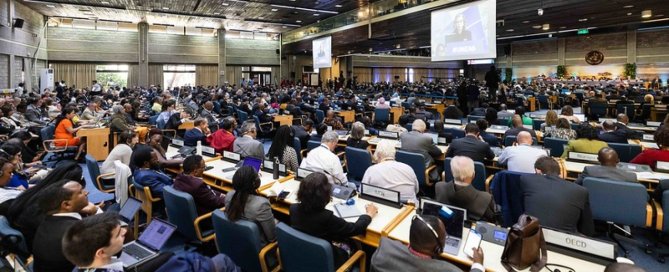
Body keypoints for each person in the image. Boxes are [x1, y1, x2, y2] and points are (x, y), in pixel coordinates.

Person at [62, 213, 240, 272]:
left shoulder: (80, 265)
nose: (125, 231)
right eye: (118, 234)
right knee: (223, 259)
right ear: (100, 252)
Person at [290, 172, 378, 267]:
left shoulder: (293, 208)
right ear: (325, 194)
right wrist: (368, 214)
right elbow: (355, 229)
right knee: (355, 245)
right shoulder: (327, 217)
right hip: (327, 262)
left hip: (303, 254)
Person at [7, 161, 83, 250]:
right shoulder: (42, 207)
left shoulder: (38, 192)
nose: (85, 193)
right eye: (80, 192)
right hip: (40, 246)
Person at [372, 214, 484, 272]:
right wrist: (478, 264)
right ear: (437, 248)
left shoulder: (383, 250)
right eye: (444, 236)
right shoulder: (450, 270)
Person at [32, 180, 100, 272]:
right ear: (66, 204)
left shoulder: (46, 222)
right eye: (80, 192)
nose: (86, 192)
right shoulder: (76, 231)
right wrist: (96, 213)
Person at [520, 156, 594, 235]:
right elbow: (587, 229)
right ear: (560, 172)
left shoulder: (526, 179)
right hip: (564, 240)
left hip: (531, 235)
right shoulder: (581, 191)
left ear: (537, 171)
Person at [224, 166, 276, 246]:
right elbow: (273, 237)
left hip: (235, 242)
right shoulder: (262, 205)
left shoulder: (229, 195)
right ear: (255, 183)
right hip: (260, 250)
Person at [435, 156, 496, 222]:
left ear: (452, 173)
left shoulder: (439, 187)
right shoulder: (486, 198)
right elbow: (492, 221)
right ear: (473, 175)